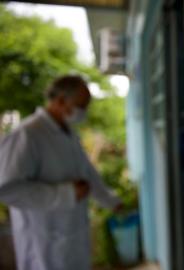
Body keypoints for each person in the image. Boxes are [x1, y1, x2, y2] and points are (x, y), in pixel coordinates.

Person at [0, 75, 122, 270]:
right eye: (81, 106)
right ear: (60, 100)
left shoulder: (69, 134)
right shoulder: (27, 134)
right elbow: (7, 189)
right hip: (43, 242)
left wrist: (110, 200)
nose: (83, 113)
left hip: (71, 237)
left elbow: (86, 173)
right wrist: (66, 193)